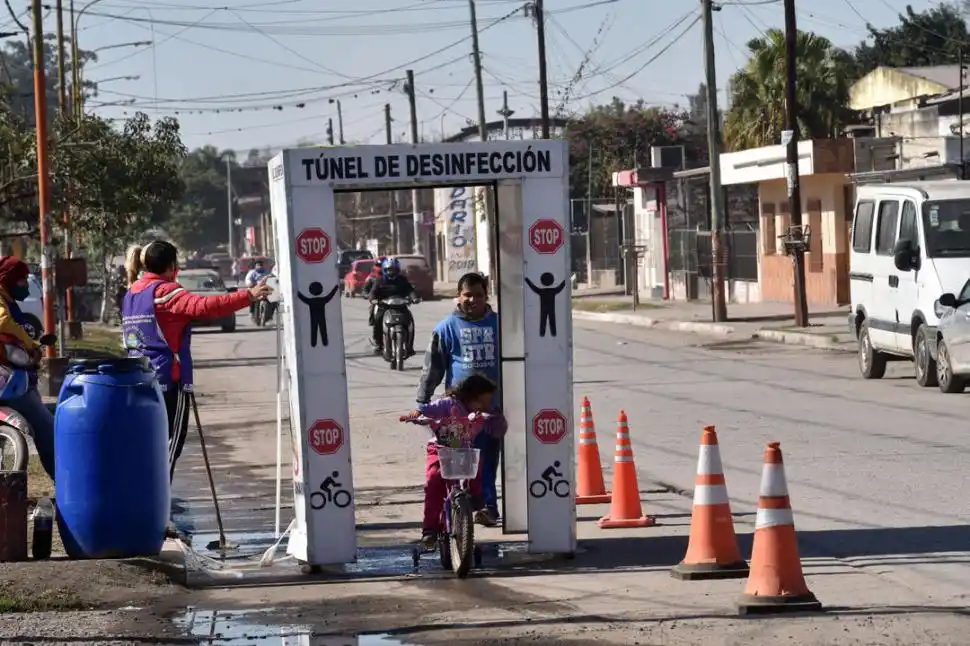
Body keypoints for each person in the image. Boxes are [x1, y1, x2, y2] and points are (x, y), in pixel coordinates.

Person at [122, 241, 272, 481]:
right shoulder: (165, 291)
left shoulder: (133, 293)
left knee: (148, 447)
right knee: (168, 447)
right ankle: (158, 509)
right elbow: (204, 307)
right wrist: (249, 296)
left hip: (137, 378)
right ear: (172, 267)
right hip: (167, 381)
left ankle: (148, 506)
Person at [414, 272, 501, 526]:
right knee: (457, 463)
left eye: (478, 295)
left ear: (487, 296)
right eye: (467, 295)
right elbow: (433, 369)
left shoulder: (501, 325)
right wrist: (423, 402)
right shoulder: (446, 329)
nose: (472, 299)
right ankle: (455, 517)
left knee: (486, 459)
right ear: (458, 297)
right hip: (457, 412)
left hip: (491, 408)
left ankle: (488, 507)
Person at [402, 374, 506, 550]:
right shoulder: (448, 404)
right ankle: (430, 529)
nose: (486, 405)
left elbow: (496, 427)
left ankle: (475, 498)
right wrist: (418, 413)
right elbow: (427, 409)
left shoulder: (482, 412)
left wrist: (496, 420)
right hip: (440, 449)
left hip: (464, 450)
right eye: (483, 401)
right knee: (434, 480)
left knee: (476, 465)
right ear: (471, 397)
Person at [0, 257, 54, 481]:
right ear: (9, 279)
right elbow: (3, 323)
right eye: (21, 280)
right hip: (8, 377)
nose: (24, 284)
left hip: (14, 372)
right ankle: (63, 479)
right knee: (46, 428)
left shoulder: (9, 301)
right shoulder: (2, 304)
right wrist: (31, 345)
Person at [365, 257, 415, 357]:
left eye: (393, 269)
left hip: (401, 306)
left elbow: (410, 290)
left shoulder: (402, 280)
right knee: (378, 319)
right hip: (384, 307)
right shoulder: (380, 280)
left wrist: (414, 297)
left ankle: (409, 347)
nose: (391, 272)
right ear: (384, 270)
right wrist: (373, 299)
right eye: (389, 270)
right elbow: (372, 292)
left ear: (397, 270)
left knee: (410, 323)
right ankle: (379, 344)